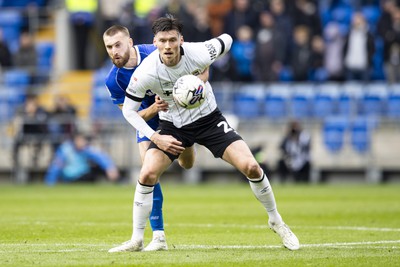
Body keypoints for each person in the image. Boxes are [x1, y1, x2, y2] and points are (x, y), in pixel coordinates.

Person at [109, 15, 299, 252]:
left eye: (172, 40)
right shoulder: (146, 72)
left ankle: (277, 221)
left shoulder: (198, 52)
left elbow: (227, 40)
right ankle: (137, 239)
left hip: (209, 120)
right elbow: (129, 111)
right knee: (147, 173)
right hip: (173, 126)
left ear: (181, 40)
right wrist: (156, 137)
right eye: (162, 41)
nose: (167, 46)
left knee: (252, 167)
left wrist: (204, 67)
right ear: (154, 42)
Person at [102, 25, 199, 251]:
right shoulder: (113, 80)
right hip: (147, 121)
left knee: (187, 164)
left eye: (118, 44)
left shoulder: (153, 52)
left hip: (177, 114)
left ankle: (189, 142)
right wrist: (154, 109)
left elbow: (189, 65)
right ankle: (158, 236)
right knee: (147, 171)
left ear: (130, 42)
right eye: (109, 47)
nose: (114, 51)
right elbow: (130, 115)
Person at [44, 133, 119, 185]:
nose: (83, 142)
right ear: (74, 140)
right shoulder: (65, 149)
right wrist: (50, 182)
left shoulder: (85, 149)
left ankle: (116, 181)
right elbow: (57, 166)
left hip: (83, 174)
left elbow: (100, 156)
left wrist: (110, 167)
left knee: (98, 166)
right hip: (71, 178)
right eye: (80, 140)